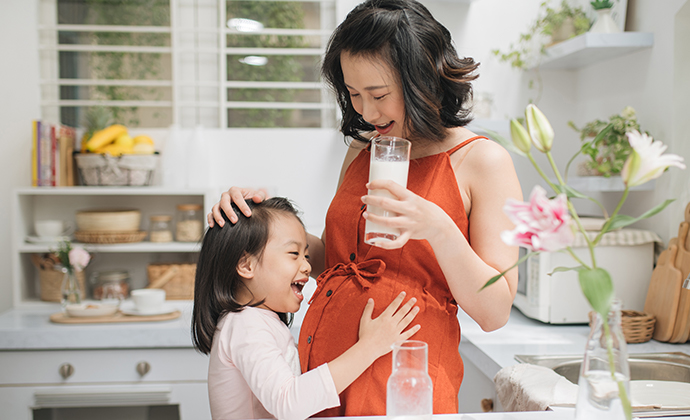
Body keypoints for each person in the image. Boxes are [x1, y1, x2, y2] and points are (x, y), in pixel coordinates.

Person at [209, 0, 523, 415]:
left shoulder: (483, 162)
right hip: (323, 378)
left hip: (401, 384)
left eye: (378, 94)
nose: (365, 111)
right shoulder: (363, 149)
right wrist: (258, 221)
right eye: (353, 94)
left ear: (423, 80)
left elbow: (495, 310)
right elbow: (334, 260)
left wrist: (439, 228)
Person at [192, 197, 421, 420]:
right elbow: (288, 404)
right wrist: (370, 346)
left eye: (307, 255)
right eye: (294, 254)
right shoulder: (245, 324)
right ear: (246, 265)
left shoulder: (255, 321)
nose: (307, 266)